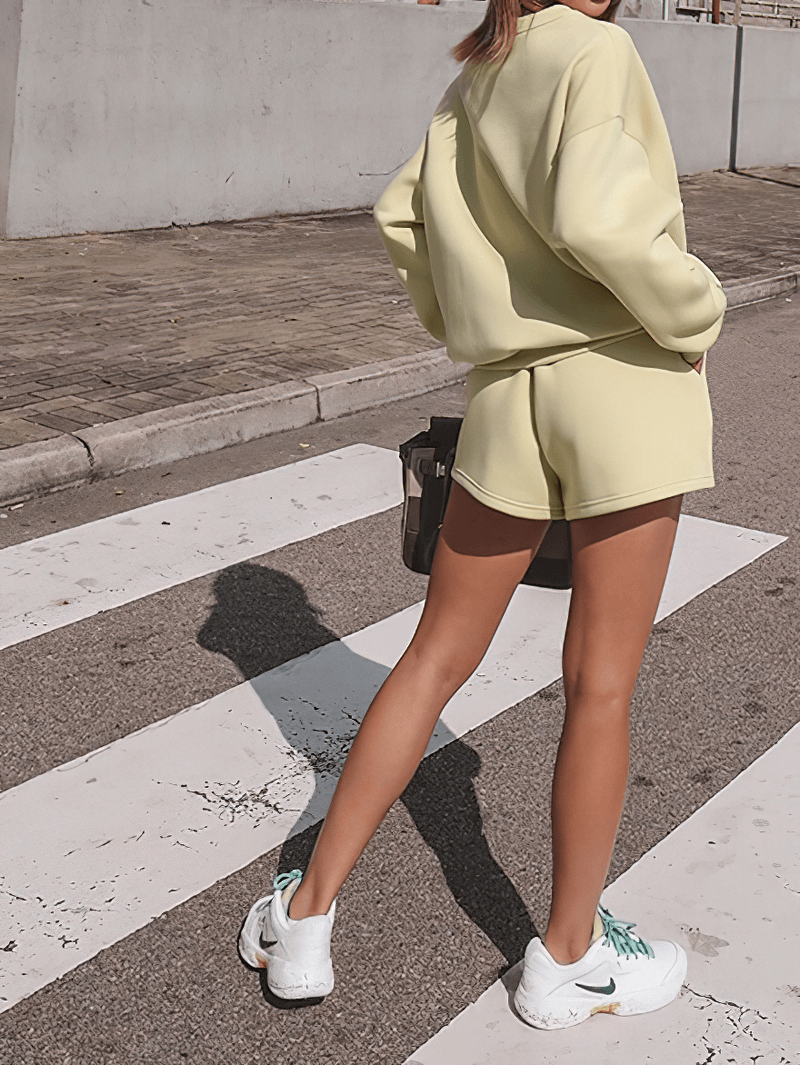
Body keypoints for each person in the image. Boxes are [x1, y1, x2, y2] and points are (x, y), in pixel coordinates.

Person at [238, 0, 726, 1030]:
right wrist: (692, 309)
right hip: (621, 384)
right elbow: (599, 221)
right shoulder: (597, 50)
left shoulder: (479, 72)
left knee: (430, 658)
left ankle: (308, 917)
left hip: (507, 397)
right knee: (598, 684)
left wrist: (468, 321)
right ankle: (565, 956)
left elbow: (398, 215)